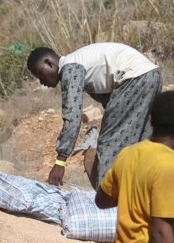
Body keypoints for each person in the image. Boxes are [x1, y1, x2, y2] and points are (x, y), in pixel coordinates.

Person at [26, 43, 162, 189]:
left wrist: (60, 162)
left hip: (133, 78)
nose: (42, 82)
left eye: (41, 75)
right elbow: (110, 102)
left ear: (49, 62)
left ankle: (108, 202)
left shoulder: (70, 68)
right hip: (151, 75)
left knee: (109, 144)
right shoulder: (81, 63)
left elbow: (73, 117)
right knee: (140, 144)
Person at [95, 91, 174, 243]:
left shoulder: (128, 154)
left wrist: (133, 192)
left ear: (150, 119)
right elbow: (161, 232)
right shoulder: (170, 168)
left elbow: (102, 200)